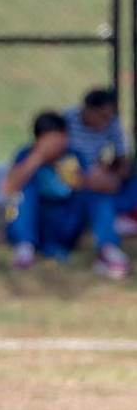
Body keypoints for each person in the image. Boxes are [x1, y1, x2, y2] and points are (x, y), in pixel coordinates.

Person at [0, 111, 120, 273]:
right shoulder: (27, 155)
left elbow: (112, 185)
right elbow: (7, 188)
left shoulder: (74, 156)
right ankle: (24, 249)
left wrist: (83, 181)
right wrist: (38, 157)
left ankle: (108, 250)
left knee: (95, 193)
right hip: (36, 223)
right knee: (23, 190)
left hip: (66, 223)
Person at [60, 88, 137, 277]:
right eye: (101, 116)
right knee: (97, 195)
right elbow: (59, 159)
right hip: (73, 179)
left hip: (102, 178)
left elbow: (123, 162)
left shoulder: (113, 124)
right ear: (87, 110)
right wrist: (89, 177)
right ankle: (109, 246)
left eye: (108, 117)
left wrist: (112, 175)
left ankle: (119, 229)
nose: (104, 122)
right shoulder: (67, 120)